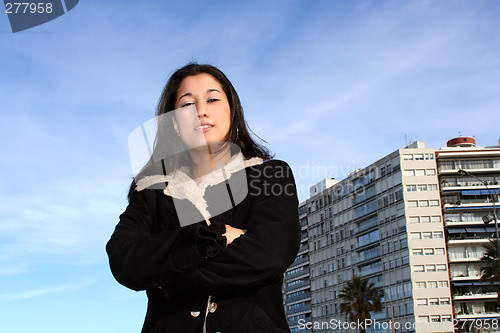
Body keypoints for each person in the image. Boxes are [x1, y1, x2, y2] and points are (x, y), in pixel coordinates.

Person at [106, 63, 301, 333]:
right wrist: (215, 237)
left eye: (212, 99)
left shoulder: (270, 176)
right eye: (187, 105)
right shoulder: (152, 191)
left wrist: (165, 276)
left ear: (232, 111)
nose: (200, 110)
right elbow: (123, 259)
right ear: (174, 123)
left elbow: (271, 253)